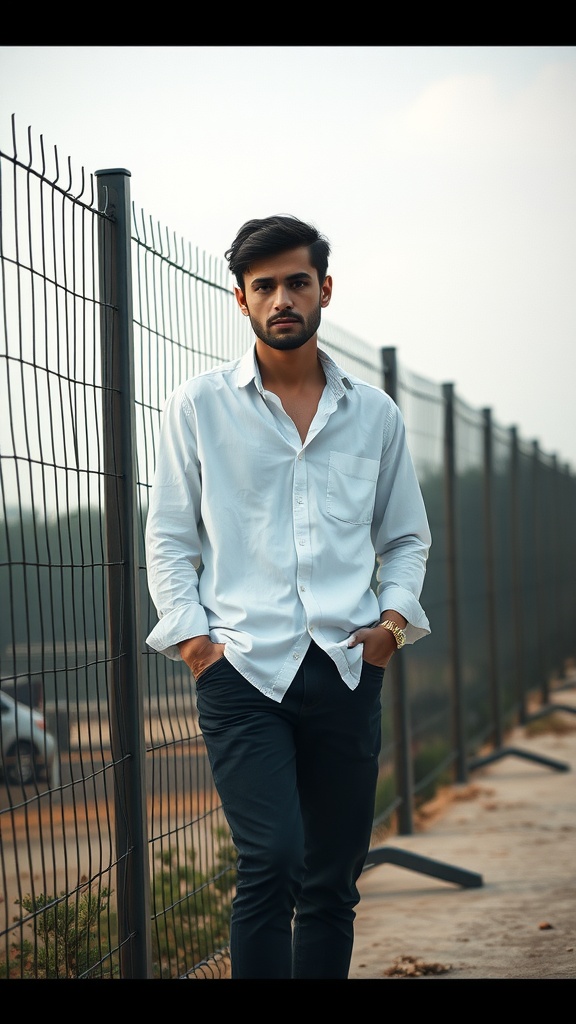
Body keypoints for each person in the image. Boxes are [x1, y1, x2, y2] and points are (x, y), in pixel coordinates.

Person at [145, 214, 431, 979]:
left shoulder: (374, 415)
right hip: (242, 671)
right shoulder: (198, 408)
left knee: (333, 879)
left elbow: (405, 537)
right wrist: (198, 647)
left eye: (296, 282)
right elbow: (170, 536)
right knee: (271, 860)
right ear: (240, 299)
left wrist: (392, 627)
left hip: (345, 665)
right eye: (263, 285)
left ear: (324, 289)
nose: (281, 298)